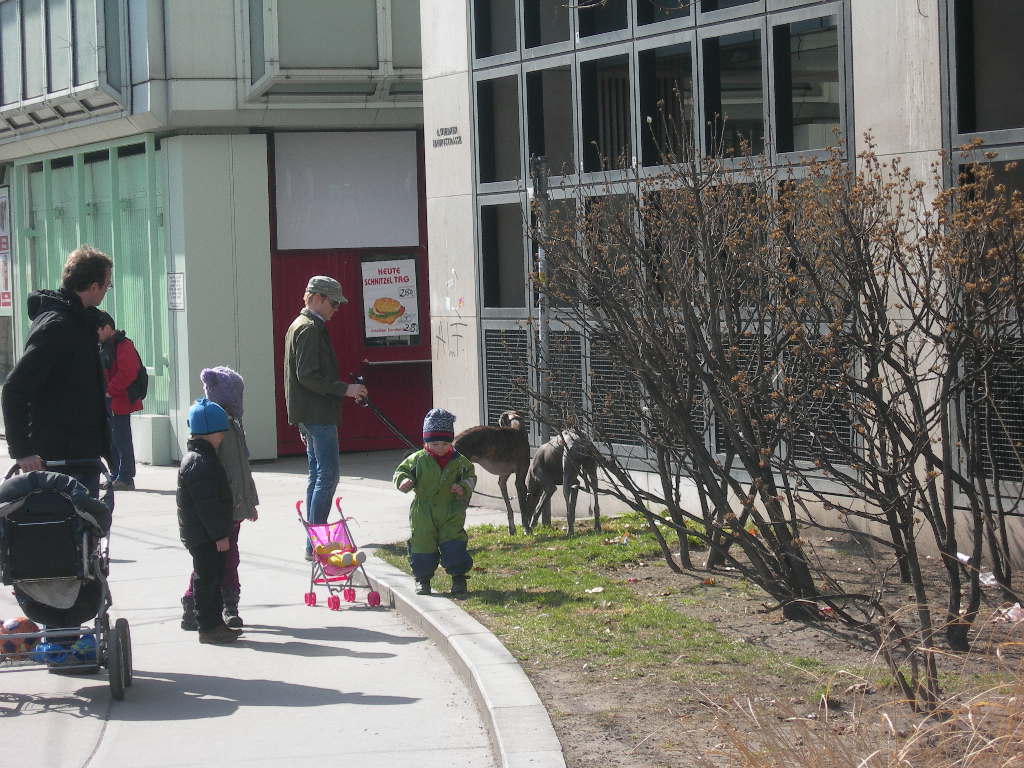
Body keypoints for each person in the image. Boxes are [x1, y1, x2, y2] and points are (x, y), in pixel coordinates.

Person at [1, 246, 112, 498]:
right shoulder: (57, 326)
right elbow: (14, 388)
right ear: (94, 286)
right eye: (107, 285)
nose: (107, 291)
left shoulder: (80, 321)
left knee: (87, 531)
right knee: (60, 534)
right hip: (59, 461)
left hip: (81, 457)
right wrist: (22, 450)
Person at [283, 275, 367, 559]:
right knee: (327, 477)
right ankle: (316, 543)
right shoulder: (308, 329)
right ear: (316, 298)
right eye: (333, 303)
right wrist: (346, 389)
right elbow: (307, 376)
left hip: (310, 414)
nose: (336, 309)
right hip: (317, 415)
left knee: (317, 476)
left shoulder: (303, 325)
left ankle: (313, 542)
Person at [180, 366, 259, 631]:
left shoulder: (232, 425)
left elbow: (242, 468)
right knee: (219, 558)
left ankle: (199, 602)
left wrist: (249, 502)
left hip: (235, 504)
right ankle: (223, 604)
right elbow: (217, 476)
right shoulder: (215, 429)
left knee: (220, 558)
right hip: (222, 508)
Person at [177, 398, 242, 645]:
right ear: (209, 433)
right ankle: (208, 626)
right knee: (208, 580)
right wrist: (219, 535)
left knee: (212, 577)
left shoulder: (201, 458)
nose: (222, 438)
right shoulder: (200, 462)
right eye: (220, 433)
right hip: (205, 536)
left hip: (205, 534)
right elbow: (207, 505)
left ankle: (214, 623)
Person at [393, 408, 477, 596]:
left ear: (451, 442)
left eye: (445, 444)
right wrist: (404, 482)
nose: (440, 448)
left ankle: (459, 578)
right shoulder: (417, 460)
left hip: (451, 510)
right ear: (426, 442)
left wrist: (463, 486)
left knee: (453, 543)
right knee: (422, 544)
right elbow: (401, 472)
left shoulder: (460, 462)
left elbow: (471, 476)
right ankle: (423, 580)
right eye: (435, 444)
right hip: (423, 511)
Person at [96, 311, 143, 490]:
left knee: (121, 438)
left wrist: (110, 390)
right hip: (111, 398)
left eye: (98, 331)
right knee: (113, 438)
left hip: (118, 399)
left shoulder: (123, 345)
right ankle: (116, 474)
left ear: (107, 328)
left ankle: (125, 477)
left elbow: (128, 371)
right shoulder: (106, 345)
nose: (96, 336)